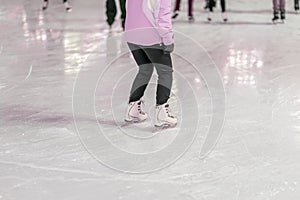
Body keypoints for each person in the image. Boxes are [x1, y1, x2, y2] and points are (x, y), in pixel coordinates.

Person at [124, 0, 177, 127]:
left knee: (145, 69)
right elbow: (162, 16)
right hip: (150, 36)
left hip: (131, 34)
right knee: (165, 72)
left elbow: (128, 8)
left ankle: (133, 110)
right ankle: (162, 113)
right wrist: (168, 39)